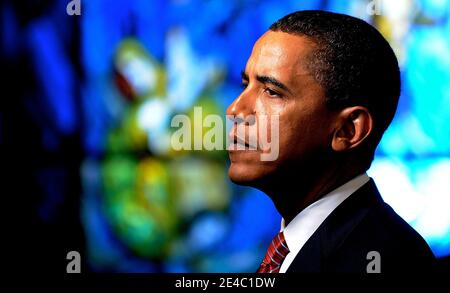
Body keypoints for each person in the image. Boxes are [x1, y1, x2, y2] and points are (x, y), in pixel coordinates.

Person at [226, 10, 436, 273]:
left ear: (348, 130)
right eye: (245, 84)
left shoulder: (387, 260)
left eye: (271, 91)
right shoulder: (299, 244)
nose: (236, 110)